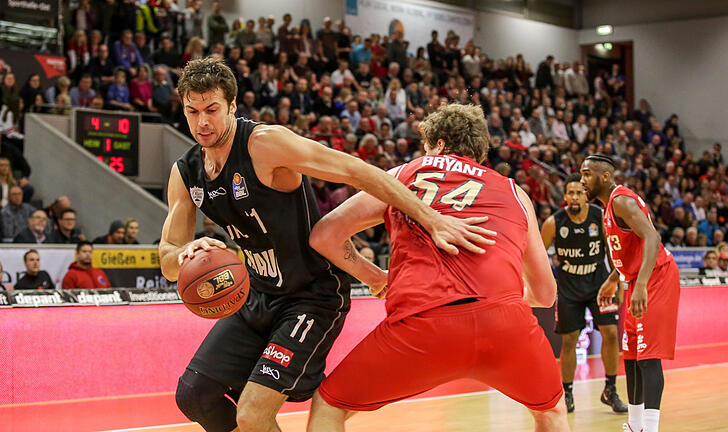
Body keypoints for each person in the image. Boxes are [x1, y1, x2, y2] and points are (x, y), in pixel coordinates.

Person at [158, 58, 489, 432]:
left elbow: (356, 170)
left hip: (310, 296)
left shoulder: (265, 144)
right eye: (193, 111)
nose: (202, 122)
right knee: (195, 394)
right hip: (256, 295)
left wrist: (431, 217)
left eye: (212, 110)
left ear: (232, 106)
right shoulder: (185, 173)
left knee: (252, 413)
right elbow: (169, 259)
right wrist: (183, 255)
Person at [306, 104, 568, 432]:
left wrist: (374, 277)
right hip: (506, 326)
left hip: (422, 326)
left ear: (438, 144)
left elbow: (323, 235)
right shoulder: (515, 192)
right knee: (551, 412)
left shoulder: (402, 174)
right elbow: (545, 295)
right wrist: (495, 301)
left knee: (330, 405)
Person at [580, 154, 680, 432]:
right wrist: (615, 278)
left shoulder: (621, 201)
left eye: (587, 174)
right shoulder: (607, 209)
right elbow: (628, 249)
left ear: (605, 176)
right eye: (580, 174)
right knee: (633, 356)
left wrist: (641, 285)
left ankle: (650, 428)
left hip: (656, 277)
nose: (582, 180)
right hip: (637, 279)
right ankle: (636, 426)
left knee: (648, 356)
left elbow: (652, 236)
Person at [541, 174, 627, 414]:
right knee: (569, 340)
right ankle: (567, 392)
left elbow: (613, 251)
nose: (575, 197)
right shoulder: (554, 223)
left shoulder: (599, 217)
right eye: (571, 193)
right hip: (569, 286)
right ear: (565, 196)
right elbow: (537, 255)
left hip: (600, 283)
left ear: (585, 195)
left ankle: (610, 390)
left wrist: (617, 281)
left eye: (579, 192)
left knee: (611, 334)